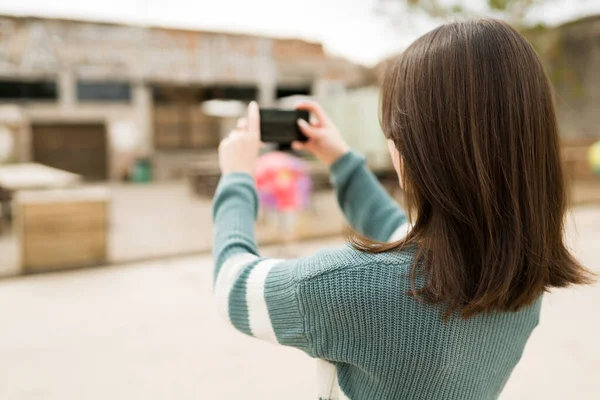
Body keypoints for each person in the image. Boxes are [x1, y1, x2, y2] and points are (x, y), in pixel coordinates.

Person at [212, 19, 593, 400]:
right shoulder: (519, 274)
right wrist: (341, 159)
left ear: (418, 150)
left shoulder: (349, 287)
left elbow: (234, 287)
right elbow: (400, 232)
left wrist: (236, 178)